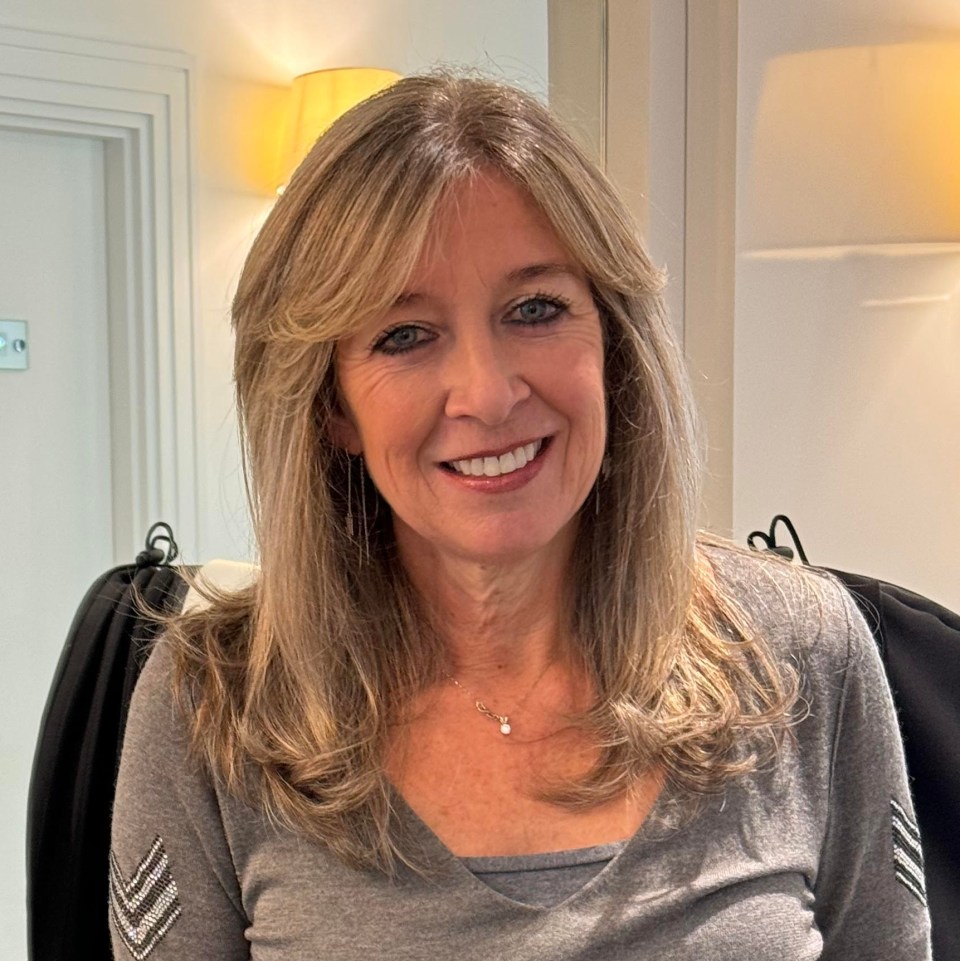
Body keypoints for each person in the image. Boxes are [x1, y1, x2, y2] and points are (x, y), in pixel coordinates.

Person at [109, 74, 932, 960]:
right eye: (404, 334)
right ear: (331, 407)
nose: (490, 394)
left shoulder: (804, 653)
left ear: (611, 343)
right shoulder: (214, 705)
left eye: (535, 310)